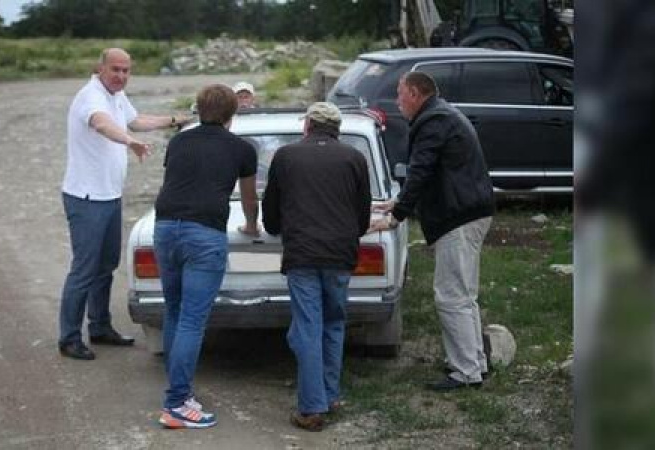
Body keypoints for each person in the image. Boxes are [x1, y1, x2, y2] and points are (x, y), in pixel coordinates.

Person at [58, 48, 191, 360]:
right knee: (84, 269)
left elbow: (137, 120)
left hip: (109, 196)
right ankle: (69, 338)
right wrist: (129, 141)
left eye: (126, 71)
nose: (120, 76)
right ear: (101, 68)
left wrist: (175, 120)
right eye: (115, 69)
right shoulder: (91, 97)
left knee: (106, 266)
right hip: (87, 198)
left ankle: (100, 327)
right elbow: (103, 124)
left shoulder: (116, 95)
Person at [370, 71, 495, 391]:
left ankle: (464, 372)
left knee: (451, 296)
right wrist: (398, 201)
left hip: (459, 217)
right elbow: (436, 171)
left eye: (400, 93)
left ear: (415, 93)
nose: (397, 101)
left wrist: (397, 215)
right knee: (464, 294)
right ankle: (475, 363)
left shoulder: (432, 122)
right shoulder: (442, 115)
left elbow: (421, 171)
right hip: (470, 211)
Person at [154, 84, 259, 429]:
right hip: (204, 233)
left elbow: (177, 181)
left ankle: (178, 391)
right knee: (192, 320)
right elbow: (248, 199)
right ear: (233, 113)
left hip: (165, 228)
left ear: (198, 110)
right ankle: (176, 403)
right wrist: (251, 226)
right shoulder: (241, 148)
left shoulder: (179, 141)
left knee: (174, 310)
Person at [262, 102, 372, 431]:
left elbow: (271, 212)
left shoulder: (285, 156)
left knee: (307, 327)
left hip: (302, 255)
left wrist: (277, 228)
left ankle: (311, 408)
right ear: (337, 129)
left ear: (307, 126)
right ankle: (330, 394)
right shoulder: (355, 158)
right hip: (340, 255)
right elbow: (362, 217)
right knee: (333, 324)